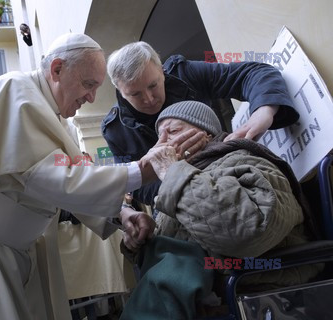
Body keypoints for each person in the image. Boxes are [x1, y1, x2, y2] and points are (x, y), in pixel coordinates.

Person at [0, 33, 169, 320]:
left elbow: (69, 178)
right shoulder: (15, 89)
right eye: (88, 85)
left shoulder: (53, 115)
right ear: (57, 69)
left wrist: (122, 213)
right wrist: (141, 171)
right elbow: (49, 178)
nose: (91, 97)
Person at [120, 100, 319, 319]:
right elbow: (172, 251)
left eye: (174, 131)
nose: (161, 143)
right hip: (202, 296)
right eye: (159, 136)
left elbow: (243, 232)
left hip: (252, 289)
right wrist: (140, 241)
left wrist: (171, 172)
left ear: (207, 134)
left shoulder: (244, 160)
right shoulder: (185, 177)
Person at [101, 41, 299, 207]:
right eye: (135, 94)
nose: (149, 98)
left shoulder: (185, 74)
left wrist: (264, 110)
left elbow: (254, 73)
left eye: (153, 85)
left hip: (230, 173)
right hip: (176, 203)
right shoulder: (115, 130)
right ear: (119, 89)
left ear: (162, 70)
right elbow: (135, 185)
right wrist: (173, 175)